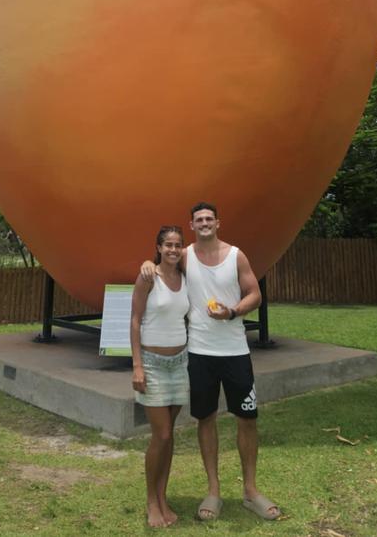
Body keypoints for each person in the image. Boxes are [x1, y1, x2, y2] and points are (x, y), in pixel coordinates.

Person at [141, 202, 280, 522]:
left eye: (209, 219)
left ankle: (250, 491)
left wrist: (232, 311)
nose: (204, 223)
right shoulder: (185, 254)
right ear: (192, 224)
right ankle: (214, 491)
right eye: (198, 220)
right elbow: (161, 263)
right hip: (200, 353)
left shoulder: (236, 255)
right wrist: (144, 264)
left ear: (218, 222)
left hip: (235, 351)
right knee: (206, 419)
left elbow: (254, 293)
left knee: (247, 419)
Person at [131, 225, 190, 528]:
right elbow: (136, 319)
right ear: (158, 247)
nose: (173, 249)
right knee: (162, 434)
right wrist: (138, 365)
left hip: (180, 363)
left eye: (178, 245)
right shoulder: (147, 277)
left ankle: (163, 497)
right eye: (168, 244)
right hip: (153, 364)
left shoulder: (185, 277)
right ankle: (151, 501)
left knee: (169, 437)